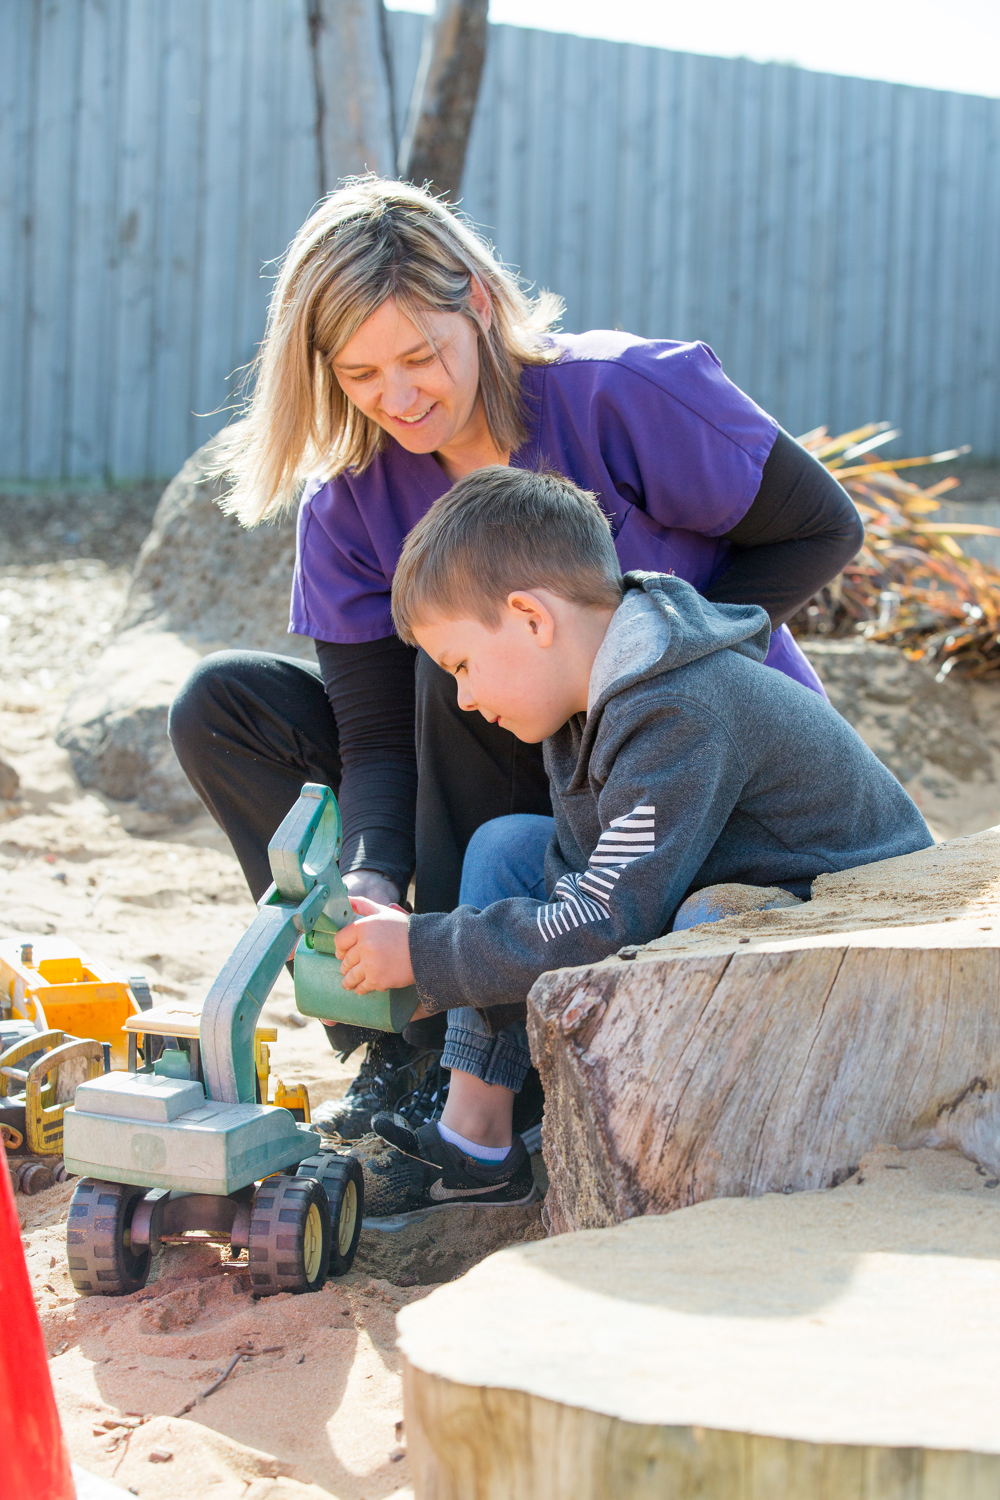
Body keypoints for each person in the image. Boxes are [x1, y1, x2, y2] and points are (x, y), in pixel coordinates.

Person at [167, 175, 864, 1138]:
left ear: (481, 306)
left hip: (679, 764)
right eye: (360, 376)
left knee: (459, 673)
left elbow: (823, 527)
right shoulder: (349, 502)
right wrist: (368, 874)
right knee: (225, 705)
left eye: (420, 356)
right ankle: (399, 1047)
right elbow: (373, 739)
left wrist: (640, 672)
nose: (398, 399)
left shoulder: (625, 392)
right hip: (493, 762)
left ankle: (479, 1036)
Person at [333, 466, 933, 1216]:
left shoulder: (678, 707)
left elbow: (604, 919)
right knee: (508, 848)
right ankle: (476, 1138)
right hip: (722, 872)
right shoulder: (591, 696)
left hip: (855, 926)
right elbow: (584, 875)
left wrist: (425, 951)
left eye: (461, 664)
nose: (464, 696)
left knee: (707, 927)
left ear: (530, 617)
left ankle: (693, 1172)